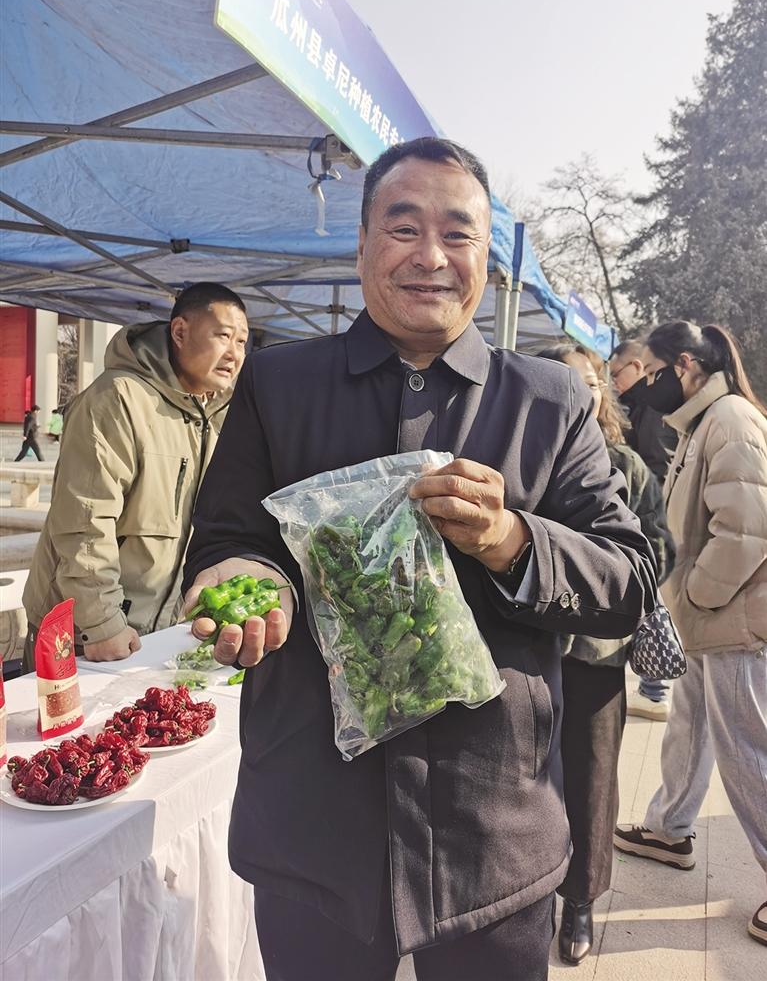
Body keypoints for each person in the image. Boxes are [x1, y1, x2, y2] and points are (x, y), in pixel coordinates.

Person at [182, 138, 657, 981]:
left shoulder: (547, 402)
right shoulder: (277, 385)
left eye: (457, 233)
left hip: (494, 833)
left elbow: (626, 582)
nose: (430, 256)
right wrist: (244, 579)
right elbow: (226, 539)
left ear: (487, 259)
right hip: (312, 820)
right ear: (363, 243)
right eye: (403, 229)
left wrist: (511, 540)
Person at [613, 320, 767, 947]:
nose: (643, 386)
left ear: (683, 365)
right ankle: (669, 828)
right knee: (691, 724)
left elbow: (748, 530)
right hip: (711, 614)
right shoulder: (704, 421)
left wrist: (697, 594)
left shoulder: (729, 420)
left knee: (747, 750)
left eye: (650, 372)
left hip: (734, 615)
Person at [22, 282, 249, 667]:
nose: (234, 353)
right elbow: (84, 521)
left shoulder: (216, 417)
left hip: (151, 635)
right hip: (83, 634)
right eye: (223, 336)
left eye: (242, 342)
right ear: (180, 332)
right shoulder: (117, 398)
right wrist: (102, 623)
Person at [538, 343, 674, 964]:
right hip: (522, 650)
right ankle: (521, 891)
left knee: (591, 779)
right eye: (565, 381)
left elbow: (657, 550)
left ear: (603, 393)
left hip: (596, 651)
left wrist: (597, 569)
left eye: (590, 382)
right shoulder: (517, 457)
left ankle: (581, 899)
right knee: (519, 776)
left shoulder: (627, 466)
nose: (580, 393)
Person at [610, 337, 680, 720]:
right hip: (647, 516)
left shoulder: (651, 408)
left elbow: (655, 465)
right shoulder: (641, 404)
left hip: (649, 517)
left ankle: (655, 688)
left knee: (652, 598)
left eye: (615, 373)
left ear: (636, 367)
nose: (613, 382)